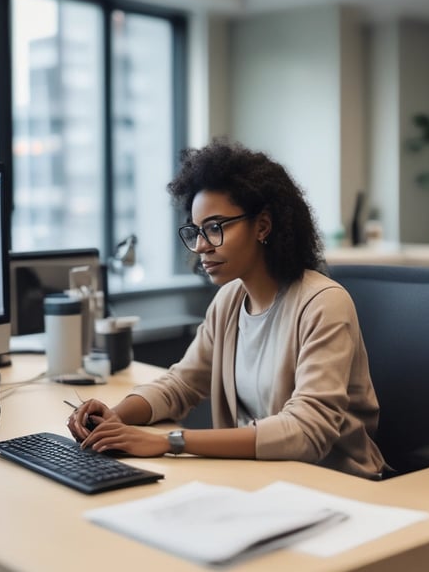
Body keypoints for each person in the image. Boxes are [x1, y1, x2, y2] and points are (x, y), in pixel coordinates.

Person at [67, 139, 386, 479]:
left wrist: (170, 442)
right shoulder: (229, 301)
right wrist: (115, 417)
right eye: (197, 231)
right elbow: (182, 384)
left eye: (216, 228)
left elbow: (306, 432)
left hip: (335, 486)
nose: (202, 246)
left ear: (262, 226)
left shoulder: (322, 303)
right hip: (257, 480)